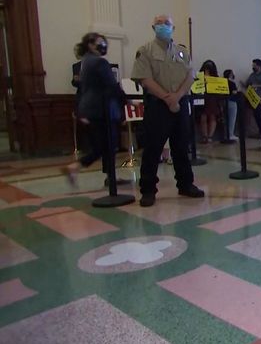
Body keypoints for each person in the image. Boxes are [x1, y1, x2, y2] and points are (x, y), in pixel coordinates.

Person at [131, 14, 204, 207]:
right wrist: (167, 98)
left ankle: (186, 184)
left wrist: (177, 96)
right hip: (157, 105)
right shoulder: (145, 51)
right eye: (159, 23)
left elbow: (190, 75)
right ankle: (148, 190)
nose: (163, 26)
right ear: (153, 27)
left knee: (181, 147)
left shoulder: (182, 52)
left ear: (173, 28)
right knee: (153, 148)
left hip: (180, 103)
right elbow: (144, 78)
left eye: (167, 23)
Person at [61, 33, 126, 186]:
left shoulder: (86, 61)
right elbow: (111, 86)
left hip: (90, 109)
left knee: (104, 145)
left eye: (104, 43)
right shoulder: (99, 62)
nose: (103, 46)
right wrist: (126, 101)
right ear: (90, 45)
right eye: (99, 43)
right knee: (105, 145)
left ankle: (111, 177)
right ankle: (75, 167)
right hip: (101, 110)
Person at [245, 58, 261, 139]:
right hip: (252, 99)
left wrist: (258, 86)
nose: (253, 67)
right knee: (255, 115)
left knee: (260, 116)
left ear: (259, 66)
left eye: (254, 66)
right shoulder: (252, 75)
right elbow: (247, 84)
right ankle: (259, 131)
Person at [199, 60, 222, 143]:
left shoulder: (215, 78)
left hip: (212, 99)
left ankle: (210, 136)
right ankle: (205, 136)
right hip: (203, 98)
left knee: (212, 117)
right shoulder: (199, 77)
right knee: (203, 117)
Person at [222, 69, 238, 141]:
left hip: (223, 102)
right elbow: (234, 93)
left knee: (225, 119)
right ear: (230, 74)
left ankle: (226, 135)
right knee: (232, 119)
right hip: (232, 101)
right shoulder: (232, 83)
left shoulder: (222, 83)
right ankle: (230, 134)